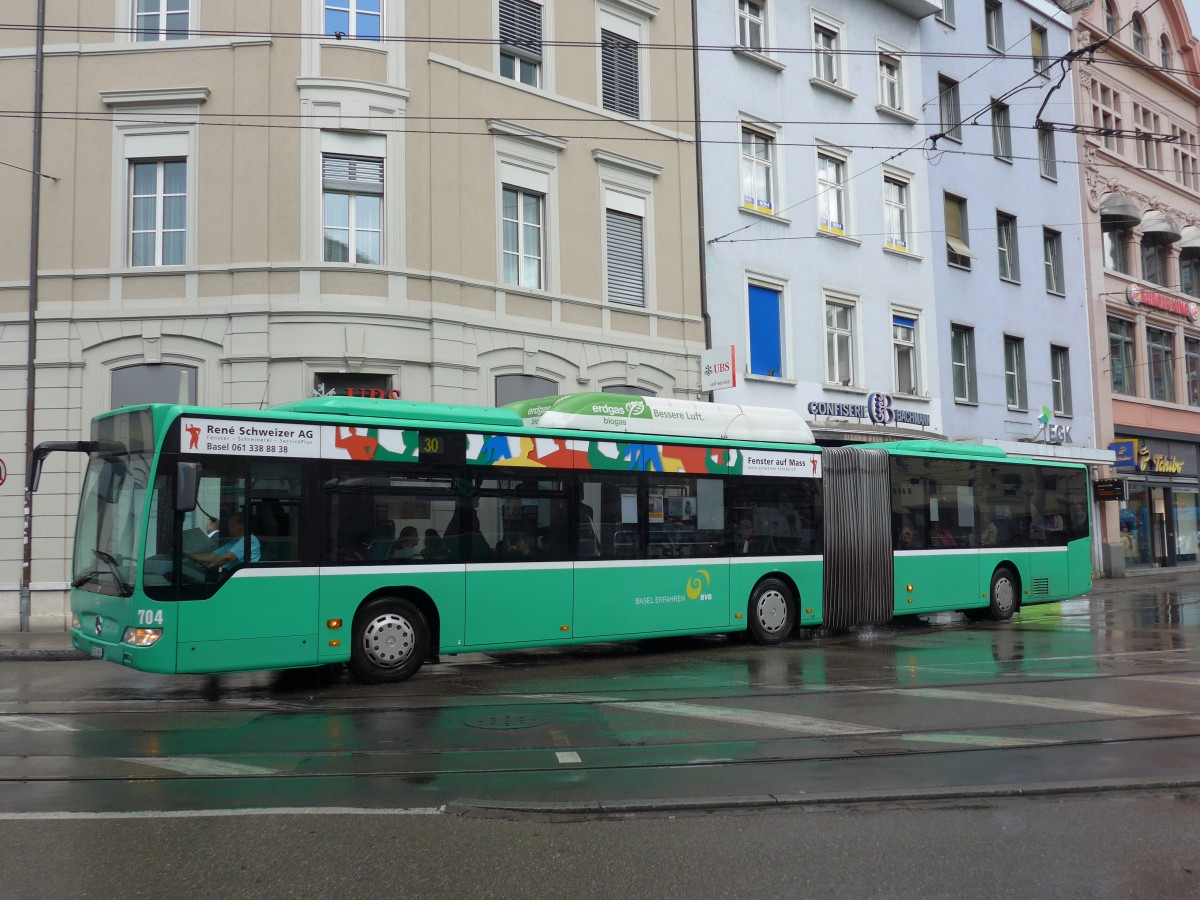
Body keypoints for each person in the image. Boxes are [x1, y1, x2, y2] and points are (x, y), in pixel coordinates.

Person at [190, 512, 260, 571]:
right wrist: (189, 556)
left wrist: (211, 565)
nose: (228, 527)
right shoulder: (234, 542)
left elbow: (227, 557)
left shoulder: (250, 539)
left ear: (240, 526)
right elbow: (211, 556)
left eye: (231, 524)